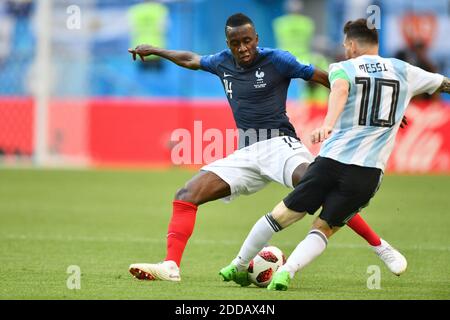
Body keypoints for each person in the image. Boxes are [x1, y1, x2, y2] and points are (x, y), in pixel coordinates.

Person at [127, 13, 407, 282]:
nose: (243, 48)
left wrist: (376, 104)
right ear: (228, 44)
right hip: (247, 151)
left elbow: (328, 79)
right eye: (236, 43)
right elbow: (190, 59)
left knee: (320, 188)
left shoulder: (278, 60)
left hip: (280, 145)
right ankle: (171, 266)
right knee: (186, 194)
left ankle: (380, 245)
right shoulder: (222, 62)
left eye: (247, 41)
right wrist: (155, 49)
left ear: (256, 37)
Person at [219, 18, 449, 290]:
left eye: (344, 44)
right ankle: (286, 273)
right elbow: (444, 84)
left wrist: (328, 122)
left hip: (330, 161)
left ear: (351, 44)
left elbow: (339, 88)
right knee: (323, 229)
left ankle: (238, 263)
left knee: (279, 215)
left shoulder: (342, 67)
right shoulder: (404, 70)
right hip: (367, 172)